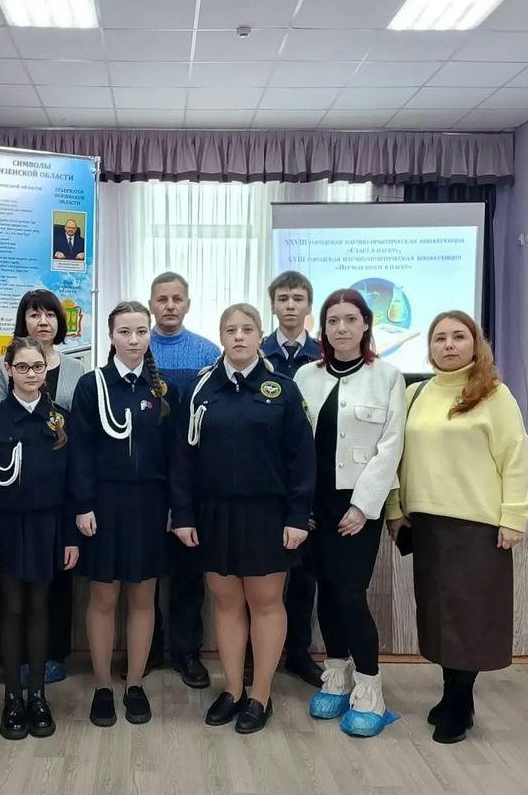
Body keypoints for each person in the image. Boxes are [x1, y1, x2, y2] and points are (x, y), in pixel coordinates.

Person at [386, 310, 528, 745]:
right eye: (440, 338)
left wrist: (514, 516)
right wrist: (395, 509)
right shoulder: (414, 394)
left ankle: (458, 702)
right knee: (438, 615)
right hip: (427, 524)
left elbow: (517, 457)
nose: (448, 345)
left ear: (475, 344)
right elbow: (396, 457)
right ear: (429, 348)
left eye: (458, 336)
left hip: (477, 527)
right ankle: (454, 695)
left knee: (470, 617)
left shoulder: (495, 395)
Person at [171, 303, 315, 734]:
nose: (238, 336)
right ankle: (233, 690)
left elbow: (302, 460)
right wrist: (183, 514)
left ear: (259, 336)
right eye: (230, 329)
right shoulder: (199, 389)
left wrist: (298, 515)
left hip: (268, 514)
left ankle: (261, 695)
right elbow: (182, 459)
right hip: (213, 513)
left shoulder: (282, 390)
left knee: (266, 603)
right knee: (227, 603)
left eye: (247, 329)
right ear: (221, 336)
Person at [294, 289, 405, 737]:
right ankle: (336, 675)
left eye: (350, 320)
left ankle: (370, 687)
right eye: (333, 321)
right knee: (324, 591)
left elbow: (390, 447)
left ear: (365, 324)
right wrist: (300, 505)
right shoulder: (306, 376)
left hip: (358, 505)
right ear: (323, 328)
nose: (341, 328)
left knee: (350, 594)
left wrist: (363, 506)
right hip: (315, 505)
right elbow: (294, 444)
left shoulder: (388, 377)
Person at [70, 301, 175, 727]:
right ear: (111, 336)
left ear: (150, 335)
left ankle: (134, 684)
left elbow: (173, 457)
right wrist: (83, 504)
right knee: (103, 597)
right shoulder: (91, 385)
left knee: (143, 597)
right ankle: (101, 685)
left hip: (150, 505)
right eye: (125, 332)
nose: (134, 340)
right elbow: (79, 451)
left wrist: (174, 508)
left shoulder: (162, 389)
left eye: (141, 332)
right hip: (103, 504)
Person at [0, 337, 79, 741]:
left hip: (47, 528)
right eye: (22, 367)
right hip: (5, 529)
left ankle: (38, 695)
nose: (31, 374)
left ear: (46, 370)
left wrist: (70, 537)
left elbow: (71, 486)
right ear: (8, 370)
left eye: (37, 367)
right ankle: (12, 698)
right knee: (12, 608)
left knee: (40, 608)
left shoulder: (60, 419)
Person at [0, 289, 84, 685]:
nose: (42, 321)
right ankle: (12, 664)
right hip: (12, 494)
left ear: (60, 322)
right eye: (34, 314)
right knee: (11, 594)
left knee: (53, 586)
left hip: (54, 492)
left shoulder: (76, 369)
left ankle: (51, 657)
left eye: (50, 314)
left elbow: (78, 429)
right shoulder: (2, 365)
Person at [147, 271, 220, 689]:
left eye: (177, 299)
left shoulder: (208, 352)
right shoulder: (136, 346)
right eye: (162, 299)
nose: (170, 306)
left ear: (188, 305)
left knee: (189, 572)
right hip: (146, 478)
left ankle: (187, 652)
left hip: (193, 478)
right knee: (146, 572)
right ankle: (149, 648)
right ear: (151, 305)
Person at [261, 271, 324, 688]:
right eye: (282, 298)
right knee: (259, 579)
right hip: (264, 488)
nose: (289, 305)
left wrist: (307, 504)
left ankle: (298, 654)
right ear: (273, 304)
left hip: (307, 486)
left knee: (303, 579)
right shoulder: (256, 353)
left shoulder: (323, 357)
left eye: (297, 298)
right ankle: (256, 655)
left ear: (308, 306)